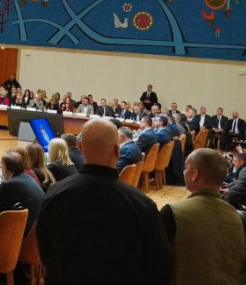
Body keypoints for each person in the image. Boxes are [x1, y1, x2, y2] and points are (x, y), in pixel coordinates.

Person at [37, 119, 171, 285]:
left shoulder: (55, 193)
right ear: (117, 150)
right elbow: (160, 262)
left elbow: (44, 250)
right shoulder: (141, 204)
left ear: (80, 147)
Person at [162, 148, 246, 284]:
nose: (184, 171)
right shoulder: (244, 221)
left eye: (186, 167)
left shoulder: (172, 213)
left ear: (195, 174)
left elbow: (153, 263)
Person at [0, 150, 44, 234]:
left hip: (23, 232)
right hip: (37, 230)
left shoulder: (8, 185)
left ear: (6, 168)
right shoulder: (28, 177)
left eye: (1, 165)